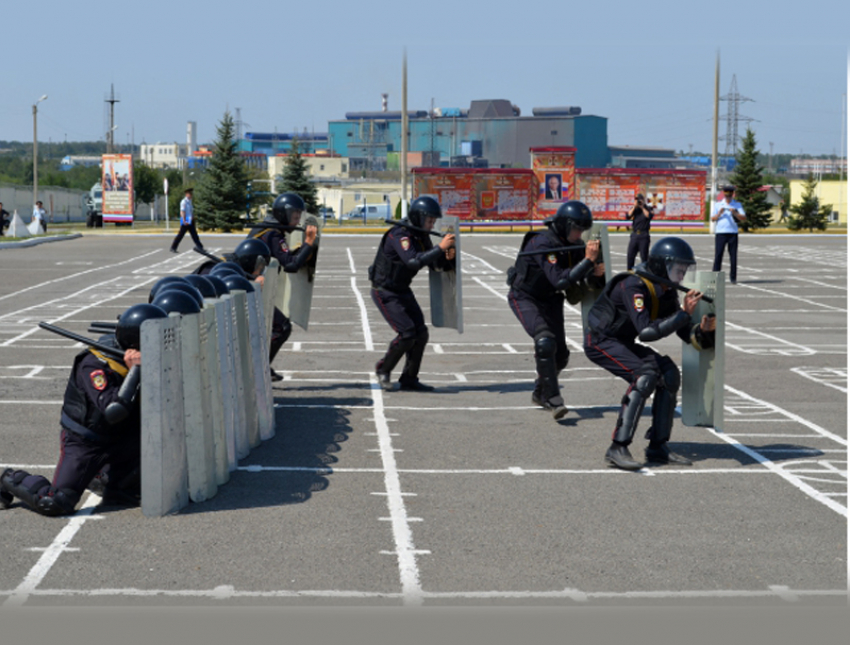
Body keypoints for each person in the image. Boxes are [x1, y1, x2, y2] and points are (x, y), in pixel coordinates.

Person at [0, 304, 168, 515]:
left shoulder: (145, 355)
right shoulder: (95, 364)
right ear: (136, 343)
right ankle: (9, 479)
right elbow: (113, 411)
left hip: (124, 437)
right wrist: (136, 371)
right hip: (87, 442)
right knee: (55, 502)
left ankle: (111, 483)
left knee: (142, 478)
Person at [583, 237, 716, 470]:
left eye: (684, 270)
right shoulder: (633, 285)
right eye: (678, 269)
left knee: (669, 373)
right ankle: (617, 447)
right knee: (644, 376)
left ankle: (657, 446)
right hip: (600, 341)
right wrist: (683, 313)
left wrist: (703, 330)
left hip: (621, 340)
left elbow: (686, 334)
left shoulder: (666, 290)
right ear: (660, 266)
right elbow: (645, 332)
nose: (682, 276)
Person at [507, 200, 605, 419]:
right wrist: (588, 262)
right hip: (525, 297)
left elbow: (584, 277)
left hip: (550, 299)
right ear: (563, 225)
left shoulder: (575, 244)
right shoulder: (542, 243)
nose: (579, 234)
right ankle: (554, 399)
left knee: (560, 356)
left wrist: (596, 273)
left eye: (582, 229)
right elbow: (560, 280)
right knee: (544, 341)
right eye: (576, 228)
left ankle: (540, 392)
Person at [369, 195, 456, 392]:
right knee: (407, 334)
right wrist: (440, 247)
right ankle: (383, 369)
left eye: (434, 221)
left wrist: (447, 256)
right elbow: (413, 262)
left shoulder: (420, 235)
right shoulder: (400, 235)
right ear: (417, 217)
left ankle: (409, 378)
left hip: (402, 289)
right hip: (385, 291)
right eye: (429, 220)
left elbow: (434, 264)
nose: (431, 224)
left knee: (421, 334)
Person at [248, 192, 318, 381]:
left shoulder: (268, 228)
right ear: (283, 214)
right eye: (294, 217)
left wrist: (304, 250)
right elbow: (291, 265)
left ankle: (260, 367)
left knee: (275, 326)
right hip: (252, 288)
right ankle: (258, 369)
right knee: (281, 327)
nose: (296, 222)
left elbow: (286, 257)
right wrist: (309, 243)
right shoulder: (273, 234)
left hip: (252, 286)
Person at [711, 185, 746, 284]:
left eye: (730, 196)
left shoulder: (737, 205)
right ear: (724, 195)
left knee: (733, 256)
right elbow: (712, 219)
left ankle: (733, 278)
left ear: (732, 195)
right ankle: (715, 277)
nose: (728, 198)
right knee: (718, 255)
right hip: (721, 233)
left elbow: (743, 218)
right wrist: (719, 214)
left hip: (732, 233)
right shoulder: (718, 205)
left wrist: (735, 213)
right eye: (726, 196)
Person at [625, 193, 654, 270]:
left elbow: (649, 216)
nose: (638, 201)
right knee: (630, 255)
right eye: (636, 200)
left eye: (639, 200)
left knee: (644, 257)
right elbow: (628, 216)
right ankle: (629, 272)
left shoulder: (648, 208)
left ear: (643, 200)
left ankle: (646, 273)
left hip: (643, 235)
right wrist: (635, 206)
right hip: (634, 235)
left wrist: (642, 207)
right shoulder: (634, 209)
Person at [169, 188, 204, 253]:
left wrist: (193, 217)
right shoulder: (183, 202)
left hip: (190, 220)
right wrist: (184, 220)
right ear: (186, 194)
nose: (191, 195)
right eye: (190, 194)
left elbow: (190, 211)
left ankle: (200, 247)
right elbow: (182, 212)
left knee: (194, 234)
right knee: (180, 235)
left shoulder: (190, 201)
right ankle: (173, 247)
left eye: (191, 194)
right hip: (186, 221)